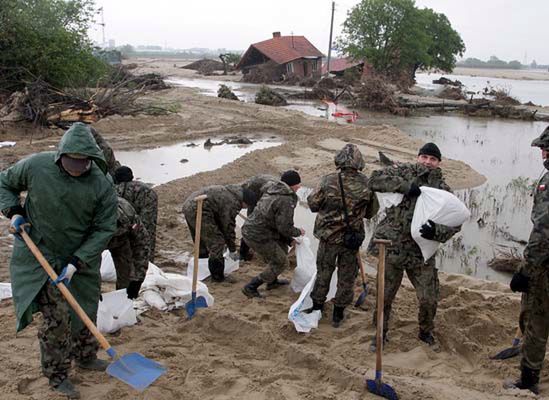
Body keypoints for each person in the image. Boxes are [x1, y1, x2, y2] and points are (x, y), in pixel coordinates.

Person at [0, 122, 118, 399]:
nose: (76, 167)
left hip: (80, 256)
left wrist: (77, 262)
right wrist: (15, 211)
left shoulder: (102, 184)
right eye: (71, 161)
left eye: (82, 162)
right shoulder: (36, 166)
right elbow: (4, 183)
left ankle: (86, 356)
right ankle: (57, 375)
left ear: (91, 158)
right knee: (57, 319)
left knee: (86, 307)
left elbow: (104, 229)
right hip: (39, 253)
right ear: (61, 155)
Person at [368, 142, 460, 348]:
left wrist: (436, 232)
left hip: (421, 253)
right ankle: (380, 333)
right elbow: (373, 180)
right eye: (424, 157)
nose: (428, 162)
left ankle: (425, 332)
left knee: (429, 298)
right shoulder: (402, 172)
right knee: (385, 295)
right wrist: (404, 186)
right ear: (418, 157)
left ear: (439, 163)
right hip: (392, 246)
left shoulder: (443, 190)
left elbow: (456, 222)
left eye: (433, 159)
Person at [307, 144, 379, 327]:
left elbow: (313, 204)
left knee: (323, 272)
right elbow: (372, 212)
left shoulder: (327, 180)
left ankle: (317, 308)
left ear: (338, 160)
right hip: (351, 239)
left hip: (328, 238)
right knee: (347, 277)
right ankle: (338, 314)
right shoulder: (367, 183)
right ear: (359, 162)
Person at [506, 127, 549, 395]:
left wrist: (526, 270)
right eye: (544, 148)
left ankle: (529, 381)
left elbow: (544, 232)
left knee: (535, 322)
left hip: (544, 267)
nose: (544, 153)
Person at [241, 170, 305, 298]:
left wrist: (288, 240)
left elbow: (277, 224)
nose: (299, 187)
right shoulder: (286, 199)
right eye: (298, 184)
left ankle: (272, 281)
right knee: (282, 263)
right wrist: (298, 232)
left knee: (282, 248)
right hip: (257, 234)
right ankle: (251, 286)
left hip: (259, 230)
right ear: (292, 185)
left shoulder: (273, 190)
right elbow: (284, 227)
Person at [182, 184, 256, 282]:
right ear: (244, 202)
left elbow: (221, 220)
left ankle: (201, 264)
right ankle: (217, 276)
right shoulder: (232, 202)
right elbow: (228, 227)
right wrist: (232, 249)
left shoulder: (232, 192)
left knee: (201, 238)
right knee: (217, 242)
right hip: (198, 209)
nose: (245, 208)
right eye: (246, 206)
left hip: (190, 205)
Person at [108, 197, 150, 298]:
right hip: (96, 240)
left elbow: (142, 244)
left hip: (122, 242)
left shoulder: (129, 215)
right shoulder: (95, 215)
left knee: (127, 275)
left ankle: (122, 300)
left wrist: (138, 280)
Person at [114, 166, 158, 262]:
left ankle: (146, 262)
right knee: (147, 232)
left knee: (143, 232)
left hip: (146, 204)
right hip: (147, 201)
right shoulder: (138, 187)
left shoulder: (118, 189)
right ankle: (148, 261)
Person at [239, 174, 278, 260]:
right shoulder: (269, 191)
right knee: (251, 226)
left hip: (261, 194)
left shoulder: (282, 195)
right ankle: (243, 254)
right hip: (253, 194)